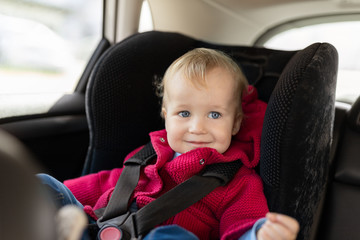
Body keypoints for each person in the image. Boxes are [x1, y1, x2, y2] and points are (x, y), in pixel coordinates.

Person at [39, 48, 299, 240]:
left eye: (215, 115)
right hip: (100, 231)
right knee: (45, 185)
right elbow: (107, 182)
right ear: (166, 115)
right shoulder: (146, 157)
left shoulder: (238, 182)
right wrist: (60, 192)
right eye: (184, 114)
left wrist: (259, 235)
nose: (197, 127)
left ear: (235, 123)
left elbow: (241, 227)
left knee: (170, 236)